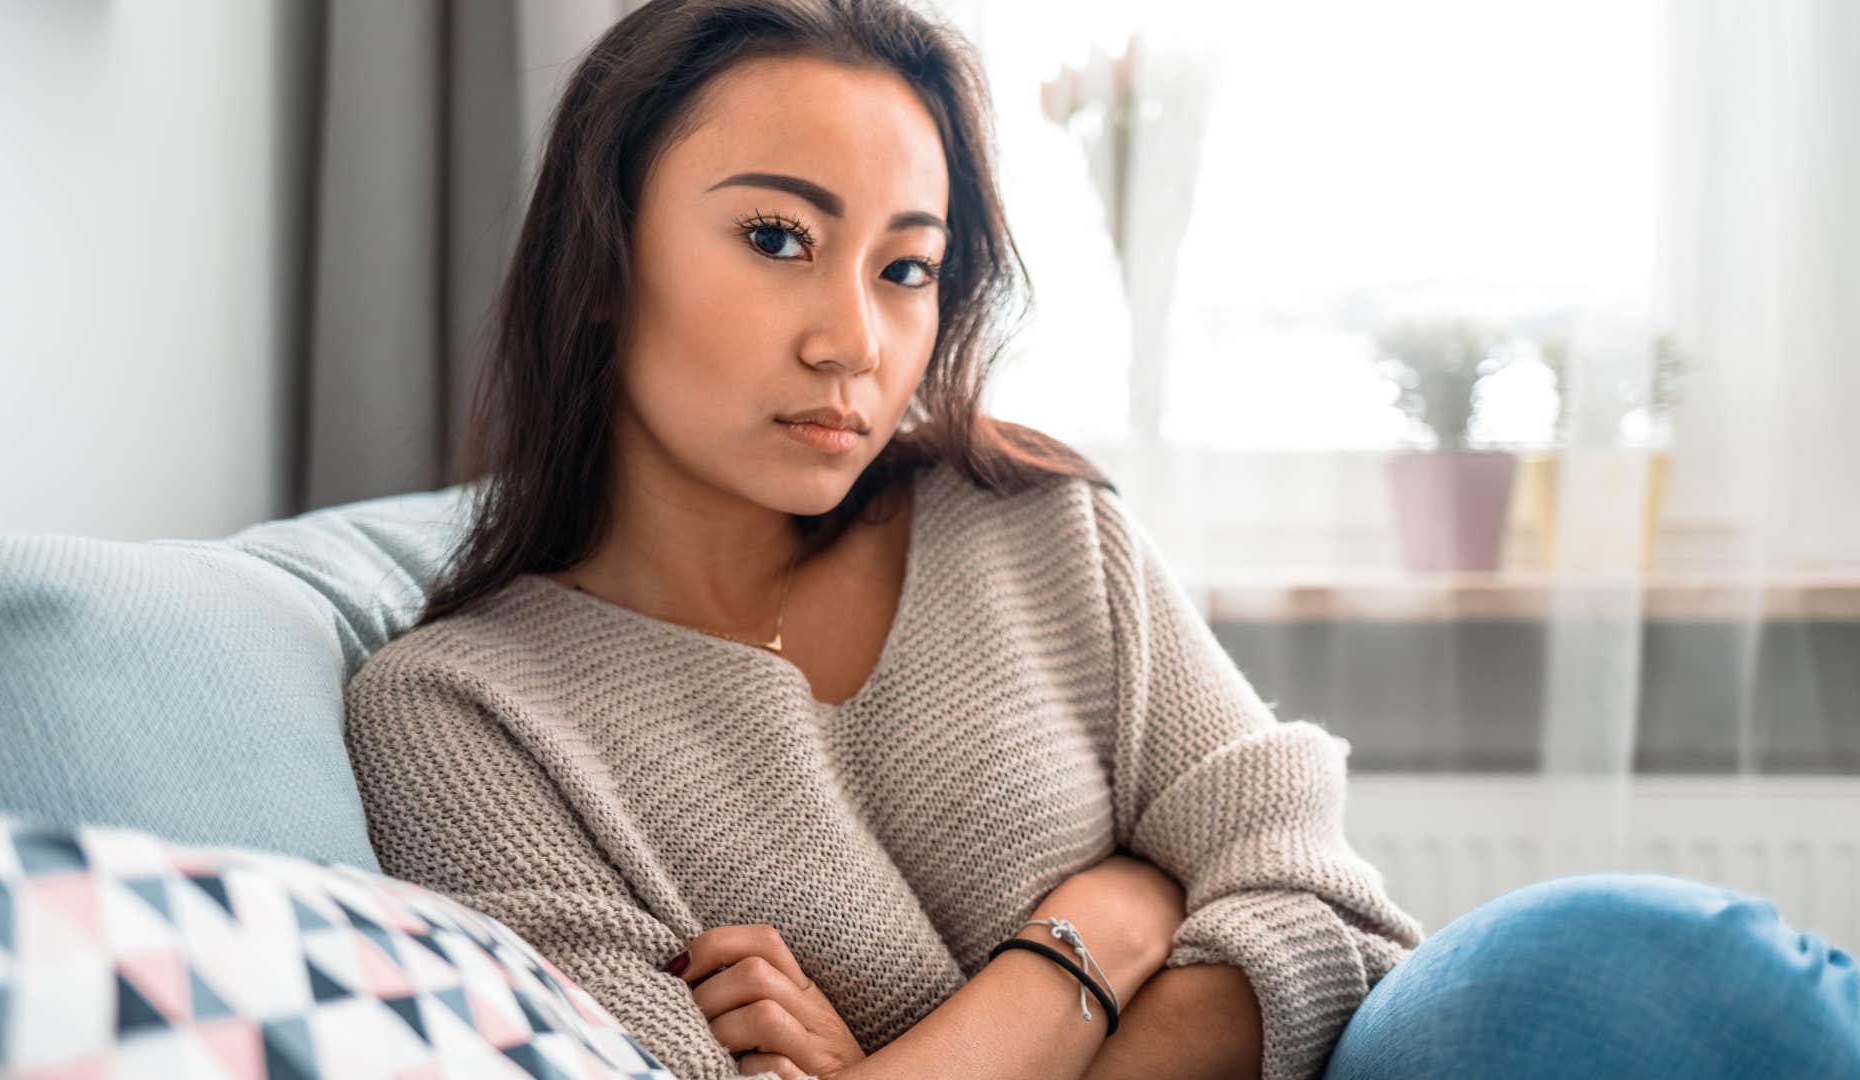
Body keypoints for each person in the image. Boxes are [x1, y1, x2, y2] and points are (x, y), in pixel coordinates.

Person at [341, 1, 1860, 1078]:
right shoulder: (466, 714)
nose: (853, 342)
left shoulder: (1032, 529)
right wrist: (1097, 923)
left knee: (1668, 969)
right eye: (777, 240)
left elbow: (1319, 903)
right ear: (604, 257)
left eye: (909, 268)